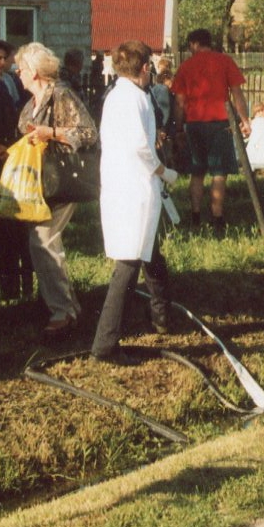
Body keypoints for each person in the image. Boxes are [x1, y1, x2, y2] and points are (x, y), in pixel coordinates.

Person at [0, 42, 97, 338]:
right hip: (40, 183)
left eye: (20, 69)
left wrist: (53, 133)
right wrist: (9, 150)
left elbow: (88, 133)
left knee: (43, 242)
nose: (17, 73)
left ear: (34, 71)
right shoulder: (32, 101)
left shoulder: (61, 94)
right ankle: (66, 307)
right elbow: (30, 140)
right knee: (43, 243)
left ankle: (63, 313)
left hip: (60, 182)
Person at [92, 39, 177, 365]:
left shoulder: (115, 95)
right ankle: (105, 345)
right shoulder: (137, 99)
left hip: (118, 185)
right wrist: (165, 172)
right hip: (136, 189)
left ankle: (161, 314)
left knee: (149, 250)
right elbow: (142, 148)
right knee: (128, 263)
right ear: (145, 68)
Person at [170, 29, 251, 235]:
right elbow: (237, 94)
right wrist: (244, 120)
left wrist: (179, 128)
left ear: (195, 44)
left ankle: (195, 215)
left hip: (194, 123)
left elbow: (179, 103)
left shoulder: (185, 67)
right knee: (218, 173)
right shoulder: (225, 61)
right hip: (220, 123)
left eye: (190, 45)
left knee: (197, 173)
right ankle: (217, 216)